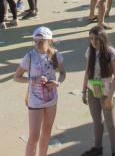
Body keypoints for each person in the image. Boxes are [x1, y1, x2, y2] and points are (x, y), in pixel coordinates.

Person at [15, 26, 67, 156]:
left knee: (47, 132)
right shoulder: (29, 57)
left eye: (41, 41)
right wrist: (32, 80)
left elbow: (63, 73)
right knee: (33, 136)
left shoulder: (56, 55)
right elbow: (16, 77)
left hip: (51, 99)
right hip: (35, 100)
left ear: (49, 41)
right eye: (35, 41)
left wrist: (58, 83)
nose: (37, 44)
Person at [81, 25, 115, 156]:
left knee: (110, 122)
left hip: (108, 91)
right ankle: (98, 149)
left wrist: (109, 97)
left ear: (103, 39)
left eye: (96, 39)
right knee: (97, 120)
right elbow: (87, 71)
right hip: (93, 89)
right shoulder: (90, 51)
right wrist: (84, 90)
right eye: (91, 39)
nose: (93, 42)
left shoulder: (112, 53)